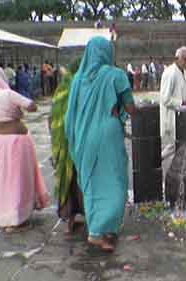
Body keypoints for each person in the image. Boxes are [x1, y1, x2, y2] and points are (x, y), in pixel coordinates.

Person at [65, 37, 136, 252]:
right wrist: (122, 111)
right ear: (108, 53)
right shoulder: (116, 75)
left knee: (93, 184)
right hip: (108, 135)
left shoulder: (77, 80)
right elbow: (131, 108)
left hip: (84, 137)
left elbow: (72, 113)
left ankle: (101, 229)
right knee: (115, 183)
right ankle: (98, 233)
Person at [0, 66, 50, 233]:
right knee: (18, 179)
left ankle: (4, 215)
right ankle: (17, 217)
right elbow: (32, 106)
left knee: (2, 179)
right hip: (17, 142)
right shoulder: (8, 94)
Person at [50, 57, 84, 235]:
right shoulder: (79, 88)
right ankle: (87, 218)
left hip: (61, 145)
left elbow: (52, 119)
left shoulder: (60, 90)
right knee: (81, 180)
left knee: (66, 179)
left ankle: (69, 221)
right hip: (77, 143)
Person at [160, 46, 186, 159]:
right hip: (171, 116)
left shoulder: (182, 71)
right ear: (176, 58)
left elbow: (184, 93)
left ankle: (162, 162)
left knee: (179, 145)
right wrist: (182, 103)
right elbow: (165, 99)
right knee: (178, 144)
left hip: (181, 116)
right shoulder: (171, 73)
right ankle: (157, 160)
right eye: (185, 59)